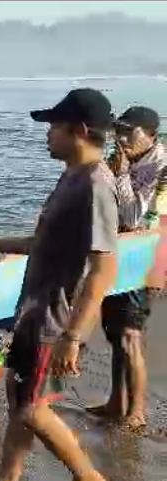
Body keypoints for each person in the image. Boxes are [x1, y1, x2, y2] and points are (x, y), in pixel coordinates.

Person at [0, 88, 118, 481]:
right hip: (33, 313)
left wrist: (74, 335)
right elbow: (43, 243)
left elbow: (104, 267)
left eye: (54, 126)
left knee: (33, 408)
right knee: (19, 401)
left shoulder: (96, 186)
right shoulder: (72, 176)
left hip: (55, 320)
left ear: (81, 131)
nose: (48, 134)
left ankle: (89, 477)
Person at [89, 106, 167, 429]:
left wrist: (119, 175)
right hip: (117, 255)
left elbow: (138, 221)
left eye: (129, 132)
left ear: (151, 135)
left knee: (132, 333)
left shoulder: (162, 170)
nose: (121, 139)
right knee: (115, 332)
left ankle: (137, 411)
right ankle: (116, 401)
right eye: (118, 131)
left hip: (144, 259)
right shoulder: (123, 160)